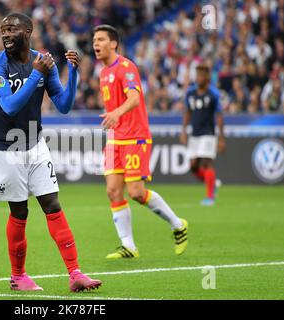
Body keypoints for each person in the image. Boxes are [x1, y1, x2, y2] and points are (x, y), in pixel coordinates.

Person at [0, 13, 101, 292]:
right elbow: (9, 107)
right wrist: (36, 73)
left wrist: (72, 74)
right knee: (20, 211)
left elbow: (63, 105)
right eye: (3, 30)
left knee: (53, 205)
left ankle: (75, 274)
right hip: (5, 148)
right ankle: (18, 276)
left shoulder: (44, 61)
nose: (6, 34)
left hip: (35, 144)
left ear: (28, 30)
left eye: (12, 29)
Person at [93, 24, 188, 259]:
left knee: (136, 192)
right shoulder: (103, 72)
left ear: (113, 43)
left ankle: (178, 225)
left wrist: (116, 113)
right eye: (94, 40)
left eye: (101, 39)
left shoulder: (126, 67)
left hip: (135, 136)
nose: (96, 44)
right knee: (113, 190)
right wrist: (113, 118)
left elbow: (134, 98)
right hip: (115, 137)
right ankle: (129, 246)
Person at [181, 64, 225, 206]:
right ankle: (213, 184)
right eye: (197, 75)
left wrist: (221, 138)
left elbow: (219, 115)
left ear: (207, 77)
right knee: (193, 166)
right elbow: (188, 112)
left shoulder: (213, 94)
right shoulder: (190, 93)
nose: (198, 78)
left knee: (207, 163)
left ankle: (210, 197)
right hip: (194, 134)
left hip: (208, 133)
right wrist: (183, 130)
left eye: (201, 75)